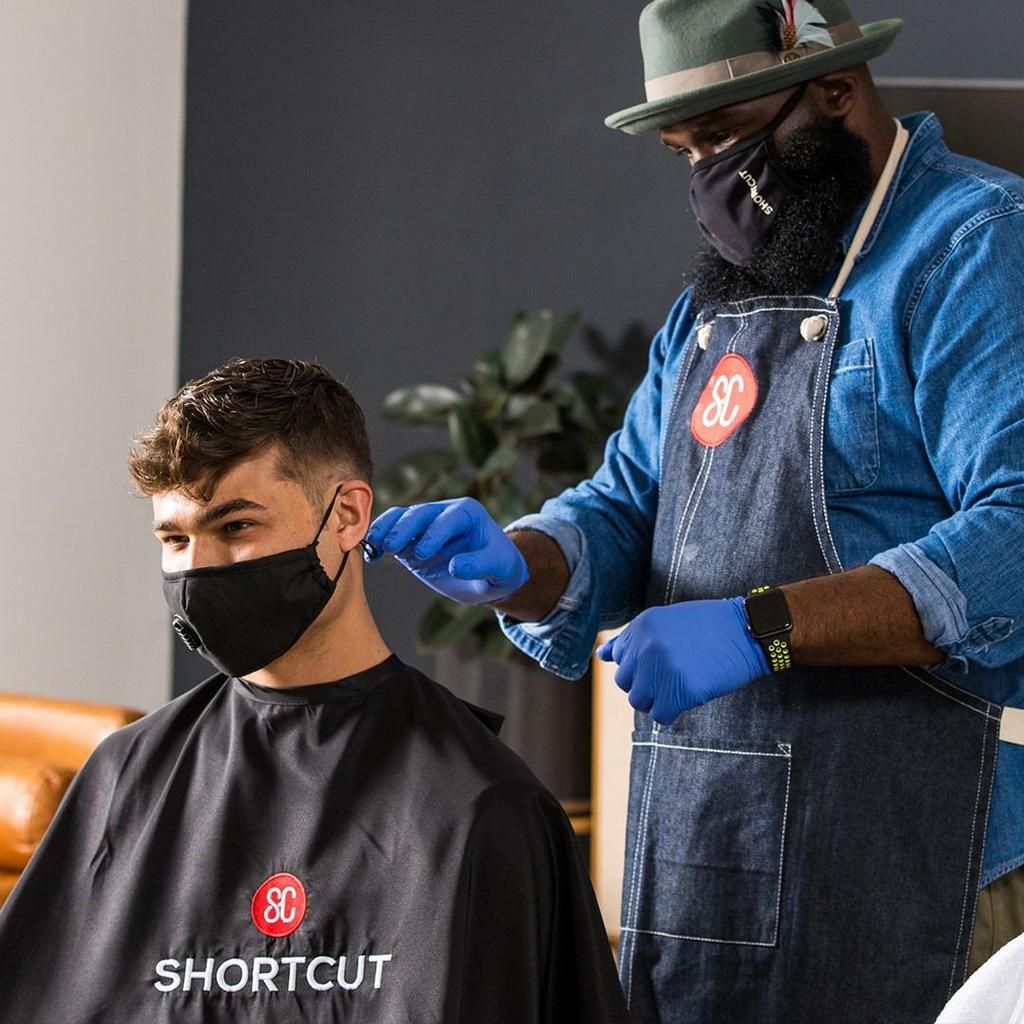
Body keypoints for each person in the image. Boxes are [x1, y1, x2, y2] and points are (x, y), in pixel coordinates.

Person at [366, 1, 1024, 1022]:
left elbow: (1015, 530)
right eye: (684, 149)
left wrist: (760, 628)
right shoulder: (714, 308)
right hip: (712, 852)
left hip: (922, 855)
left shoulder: (971, 248)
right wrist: (526, 559)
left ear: (835, 91)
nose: (707, 176)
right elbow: (628, 501)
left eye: (724, 136)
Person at [0, 359, 629, 1024]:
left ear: (349, 515)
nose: (197, 570)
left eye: (236, 527)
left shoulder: (482, 806)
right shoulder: (124, 777)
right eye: (175, 538)